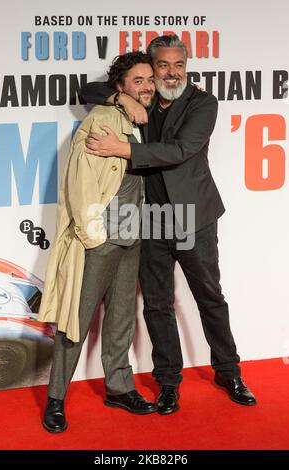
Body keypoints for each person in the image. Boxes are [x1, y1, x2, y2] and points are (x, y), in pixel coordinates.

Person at [81, 35, 257, 415]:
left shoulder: (202, 103)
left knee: (209, 296)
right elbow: (87, 88)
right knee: (157, 304)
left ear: (186, 66)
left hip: (193, 216)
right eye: (163, 66)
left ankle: (229, 371)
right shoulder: (140, 96)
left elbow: (180, 150)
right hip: (149, 219)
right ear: (151, 67)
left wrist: (123, 149)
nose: (172, 73)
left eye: (179, 65)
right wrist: (120, 97)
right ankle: (168, 383)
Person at [38, 51, 157, 433]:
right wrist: (93, 235)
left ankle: (119, 387)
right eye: (137, 80)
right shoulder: (102, 118)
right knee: (77, 319)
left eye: (149, 79)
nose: (147, 86)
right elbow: (80, 183)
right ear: (119, 87)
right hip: (102, 235)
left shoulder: (145, 118)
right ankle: (55, 399)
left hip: (133, 230)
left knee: (122, 315)